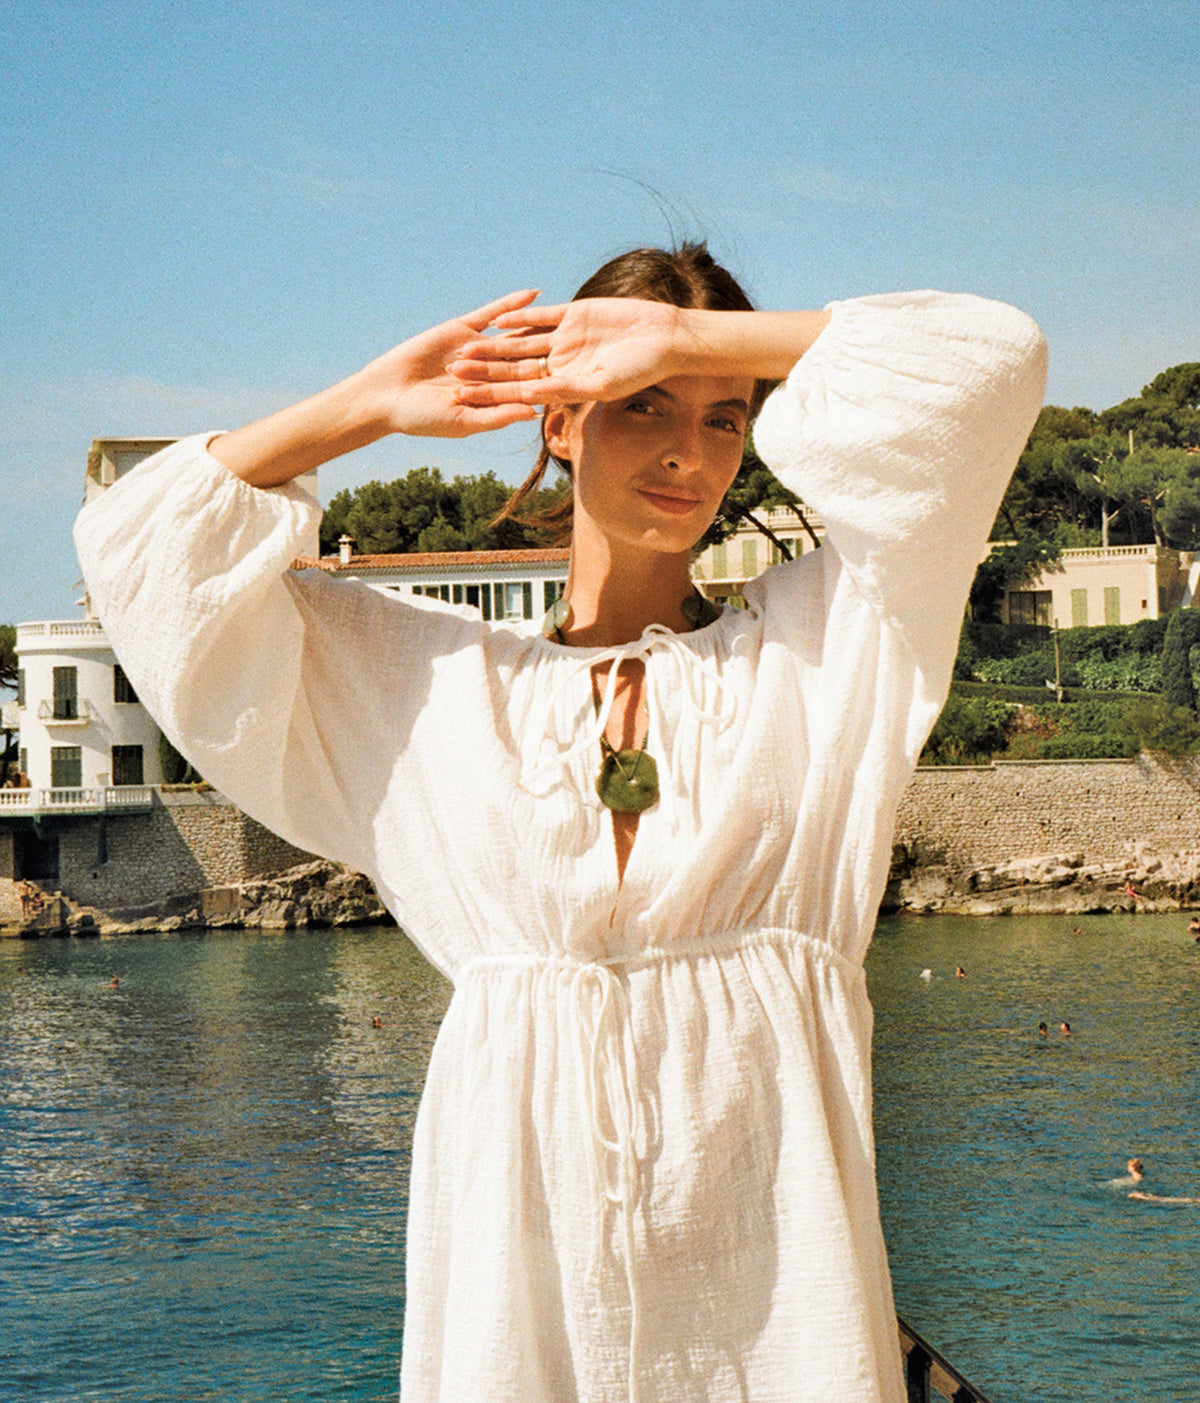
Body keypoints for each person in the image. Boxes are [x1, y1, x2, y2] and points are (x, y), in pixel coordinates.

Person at [73, 242, 1046, 1403]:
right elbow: (143, 549)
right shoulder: (423, 680)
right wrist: (368, 406)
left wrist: (684, 341)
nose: (692, 452)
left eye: (726, 416)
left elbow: (993, 361)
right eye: (643, 407)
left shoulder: (833, 649)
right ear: (560, 423)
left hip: (781, 1313)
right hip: (518, 1311)